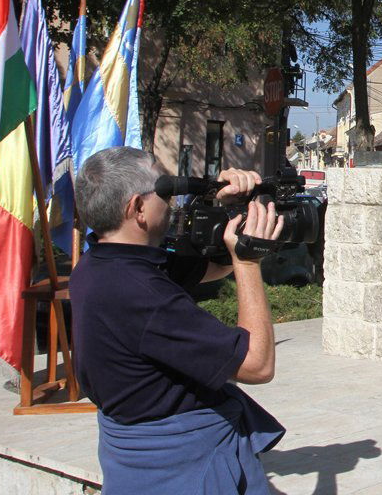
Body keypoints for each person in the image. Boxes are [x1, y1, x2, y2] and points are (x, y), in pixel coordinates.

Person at [70, 147, 286, 493]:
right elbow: (257, 364)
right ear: (138, 208)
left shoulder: (99, 266)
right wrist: (249, 261)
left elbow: (211, 267)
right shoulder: (143, 294)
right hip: (184, 468)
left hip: (135, 466)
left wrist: (221, 205)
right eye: (165, 193)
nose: (171, 203)